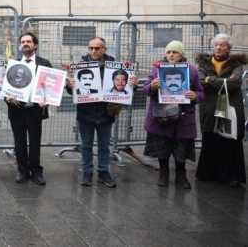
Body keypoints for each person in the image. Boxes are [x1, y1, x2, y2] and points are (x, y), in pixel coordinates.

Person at [66, 37, 137, 187]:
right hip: (86, 113)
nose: (93, 51)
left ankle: (103, 172)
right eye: (91, 48)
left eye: (97, 48)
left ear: (104, 49)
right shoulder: (81, 65)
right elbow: (73, 91)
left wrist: (133, 85)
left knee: (104, 145)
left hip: (106, 113)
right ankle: (87, 172)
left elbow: (124, 88)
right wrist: (70, 85)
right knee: (86, 145)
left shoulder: (115, 66)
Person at [143, 40, 204, 189]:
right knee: (162, 147)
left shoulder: (192, 71)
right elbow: (145, 89)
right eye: (169, 52)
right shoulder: (157, 69)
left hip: (183, 117)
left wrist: (194, 96)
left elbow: (201, 92)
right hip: (162, 115)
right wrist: (152, 86)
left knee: (181, 147)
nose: (171, 55)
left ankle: (181, 175)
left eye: (175, 52)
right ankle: (163, 174)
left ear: (181, 54)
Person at [195, 33, 246, 187]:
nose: (218, 47)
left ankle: (231, 175)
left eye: (222, 45)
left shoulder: (236, 64)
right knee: (210, 138)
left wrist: (210, 79)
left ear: (228, 48)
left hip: (230, 105)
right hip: (210, 107)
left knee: (229, 138)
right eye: (216, 44)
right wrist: (223, 81)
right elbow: (200, 82)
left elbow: (235, 84)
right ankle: (208, 173)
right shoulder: (204, 63)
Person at [5, 32, 52, 185]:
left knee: (35, 141)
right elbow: (7, 89)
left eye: (28, 41)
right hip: (17, 110)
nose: (25, 44)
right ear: (20, 46)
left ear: (35, 45)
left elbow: (52, 87)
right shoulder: (13, 64)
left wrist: (47, 100)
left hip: (35, 110)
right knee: (19, 142)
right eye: (23, 42)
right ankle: (23, 171)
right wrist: (7, 98)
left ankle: (36, 171)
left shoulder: (45, 63)